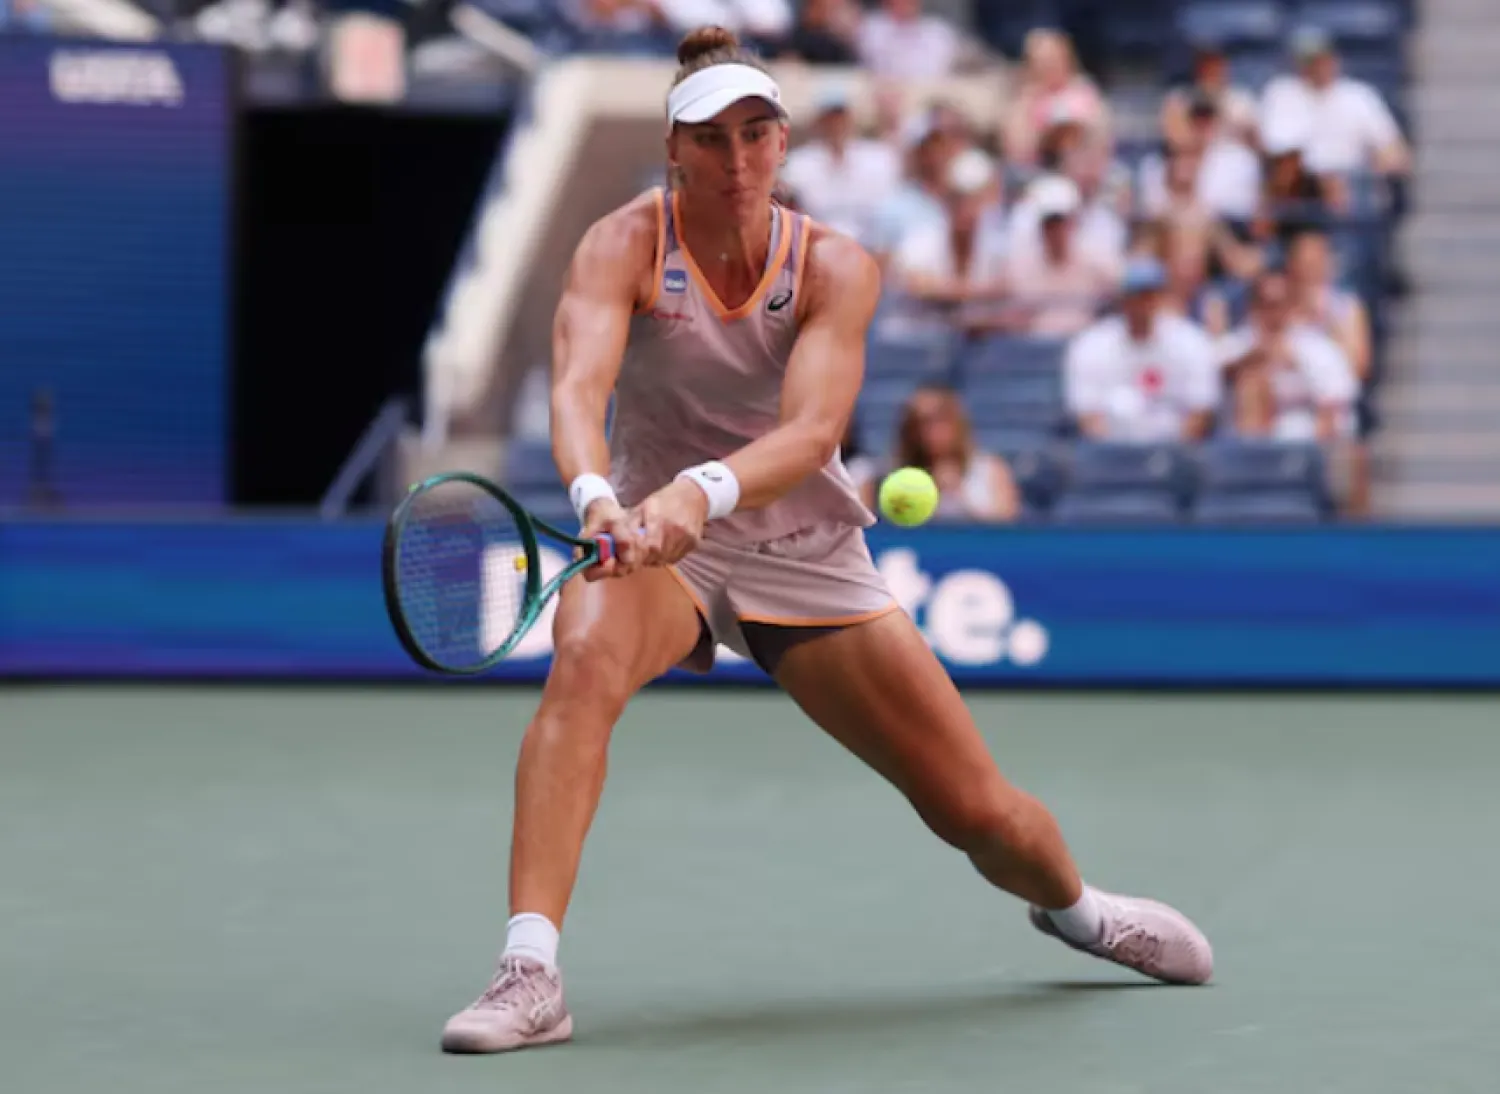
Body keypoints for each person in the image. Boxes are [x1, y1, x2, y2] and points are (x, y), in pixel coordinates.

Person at [439, 26, 1214, 1056]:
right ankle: (529, 969)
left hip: (799, 547)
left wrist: (697, 492)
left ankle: (1077, 908)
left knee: (976, 809)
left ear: (784, 142)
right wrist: (596, 498)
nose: (738, 160)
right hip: (653, 541)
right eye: (713, 139)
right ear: (676, 148)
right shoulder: (620, 243)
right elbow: (581, 388)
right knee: (579, 667)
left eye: (758, 134)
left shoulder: (836, 266)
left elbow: (808, 434)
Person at [859, 384, 1020, 523]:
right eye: (920, 422)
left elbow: (1007, 528)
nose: (930, 431)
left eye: (940, 419)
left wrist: (959, 496)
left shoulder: (990, 469)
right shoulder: (885, 476)